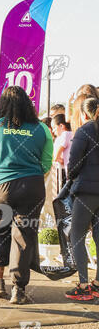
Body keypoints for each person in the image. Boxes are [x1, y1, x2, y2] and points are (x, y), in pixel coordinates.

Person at [0, 86, 53, 304]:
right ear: (28, 104)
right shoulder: (42, 129)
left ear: (2, 104)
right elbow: (47, 163)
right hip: (31, 186)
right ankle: (18, 290)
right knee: (24, 236)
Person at [65, 97, 99, 301]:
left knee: (76, 235)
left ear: (83, 113)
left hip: (86, 191)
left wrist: (72, 176)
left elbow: (73, 163)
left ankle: (84, 285)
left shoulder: (84, 130)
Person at [51, 114, 73, 183]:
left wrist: (62, 161)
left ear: (61, 126)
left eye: (54, 127)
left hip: (67, 170)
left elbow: (55, 157)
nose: (53, 131)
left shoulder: (65, 135)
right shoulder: (73, 133)